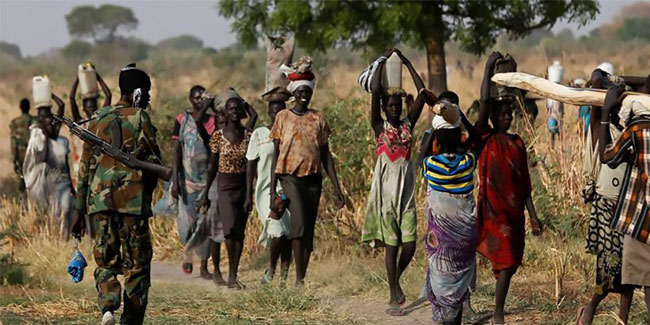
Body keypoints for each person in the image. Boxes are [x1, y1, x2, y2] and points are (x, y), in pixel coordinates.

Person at [71, 63, 161, 325]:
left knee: (106, 261)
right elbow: (155, 163)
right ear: (137, 92)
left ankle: (108, 307)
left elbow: (85, 167)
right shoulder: (141, 118)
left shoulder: (97, 118)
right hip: (132, 205)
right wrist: (146, 196)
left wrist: (79, 210)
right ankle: (130, 320)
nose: (148, 97)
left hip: (99, 204)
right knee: (138, 265)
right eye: (147, 91)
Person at [474, 52, 543, 325]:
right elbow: (482, 105)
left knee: (511, 264)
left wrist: (533, 215)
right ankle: (498, 313)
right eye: (501, 114)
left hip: (514, 215)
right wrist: (488, 69)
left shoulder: (517, 143)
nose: (506, 118)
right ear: (492, 116)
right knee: (504, 263)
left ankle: (486, 306)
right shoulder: (485, 137)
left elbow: (525, 183)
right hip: (494, 214)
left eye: (509, 113)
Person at [360, 49, 427, 315]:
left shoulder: (409, 124)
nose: (395, 108)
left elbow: (422, 93)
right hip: (387, 192)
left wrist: (408, 62)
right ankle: (392, 297)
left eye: (398, 105)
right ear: (384, 109)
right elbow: (375, 90)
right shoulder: (380, 126)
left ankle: (395, 280)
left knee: (409, 245)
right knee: (392, 245)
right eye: (390, 106)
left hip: (407, 191)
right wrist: (382, 62)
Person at [270, 56, 345, 286]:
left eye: (307, 91)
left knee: (308, 230)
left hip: (313, 180)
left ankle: (301, 276)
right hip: (290, 178)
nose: (304, 95)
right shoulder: (283, 117)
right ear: (294, 92)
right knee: (299, 224)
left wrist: (336, 186)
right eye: (300, 91)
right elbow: (276, 152)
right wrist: (273, 188)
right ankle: (298, 280)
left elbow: (325, 155)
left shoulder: (318, 118)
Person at [577, 68, 633, 325]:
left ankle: (622, 319)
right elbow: (596, 77)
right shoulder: (602, 125)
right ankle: (590, 307)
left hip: (629, 205)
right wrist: (602, 82)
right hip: (607, 205)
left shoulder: (631, 127)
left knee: (630, 271)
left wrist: (622, 84)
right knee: (608, 271)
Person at [421, 97, 479, 325]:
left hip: (442, 242)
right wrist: (457, 116)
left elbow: (422, 154)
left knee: (442, 286)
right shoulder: (467, 163)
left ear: (437, 138)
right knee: (458, 289)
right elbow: (475, 141)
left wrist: (433, 126)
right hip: (465, 241)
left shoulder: (431, 165)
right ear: (458, 136)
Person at [599, 77, 650, 325]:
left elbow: (607, 156)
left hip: (641, 217)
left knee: (644, 279)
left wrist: (606, 114)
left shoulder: (638, 128)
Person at [199, 88, 257, 289]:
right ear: (226, 111)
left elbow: (251, 167)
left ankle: (233, 273)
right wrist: (206, 194)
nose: (234, 112)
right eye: (231, 109)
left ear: (242, 112)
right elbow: (212, 167)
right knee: (229, 229)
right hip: (224, 186)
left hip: (242, 185)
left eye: (237, 108)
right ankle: (230, 273)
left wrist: (250, 194)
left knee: (239, 231)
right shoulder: (217, 136)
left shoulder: (249, 135)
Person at [171, 85, 224, 283]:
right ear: (190, 99)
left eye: (203, 97)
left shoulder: (213, 121)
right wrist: (175, 180)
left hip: (208, 179)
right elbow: (177, 149)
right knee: (188, 223)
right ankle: (187, 253)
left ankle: (204, 265)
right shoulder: (182, 119)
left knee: (206, 223)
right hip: (187, 179)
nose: (200, 101)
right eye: (197, 98)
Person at [245, 86, 293, 284]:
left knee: (288, 235)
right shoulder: (260, 134)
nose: (276, 112)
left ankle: (284, 279)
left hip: (288, 189)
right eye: (273, 108)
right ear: (268, 111)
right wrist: (248, 194)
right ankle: (271, 270)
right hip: (266, 192)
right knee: (277, 230)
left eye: (280, 108)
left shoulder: (291, 132)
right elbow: (250, 165)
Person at [23, 94, 74, 239]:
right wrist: (45, 137)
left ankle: (66, 241)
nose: (52, 126)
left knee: (66, 209)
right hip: (49, 185)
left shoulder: (62, 141)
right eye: (48, 124)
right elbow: (43, 158)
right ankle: (56, 240)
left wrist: (48, 94)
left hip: (63, 183)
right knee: (54, 214)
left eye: (54, 123)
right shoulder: (42, 140)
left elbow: (66, 164)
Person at [10, 98, 36, 193]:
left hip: (21, 156)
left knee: (22, 182)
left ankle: (24, 202)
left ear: (20, 107)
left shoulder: (15, 123)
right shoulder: (35, 121)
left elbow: (13, 142)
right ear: (29, 107)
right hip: (34, 155)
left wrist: (14, 159)